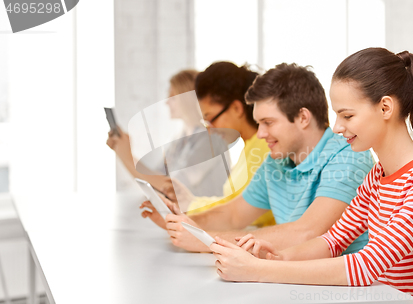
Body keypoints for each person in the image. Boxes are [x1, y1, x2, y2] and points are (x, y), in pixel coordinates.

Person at [211, 48, 413, 304]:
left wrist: (257, 271)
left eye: (347, 115)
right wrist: (277, 259)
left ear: (385, 108)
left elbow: (366, 265)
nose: (337, 127)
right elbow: (332, 241)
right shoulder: (376, 178)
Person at [145, 63, 374, 254]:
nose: (261, 133)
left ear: (303, 117)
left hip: (354, 291)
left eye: (268, 122)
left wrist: (206, 240)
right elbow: (234, 215)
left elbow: (306, 233)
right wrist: (180, 222)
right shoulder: (278, 162)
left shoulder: (348, 154)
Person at [141, 62, 276, 228]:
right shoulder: (249, 148)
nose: (209, 129)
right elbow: (232, 203)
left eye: (211, 119)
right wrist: (189, 202)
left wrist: (188, 214)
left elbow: (240, 215)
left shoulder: (266, 150)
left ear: (236, 108)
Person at [106, 69, 229, 197]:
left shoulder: (212, 141)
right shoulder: (180, 139)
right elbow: (155, 179)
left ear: (188, 99)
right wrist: (123, 152)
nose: (166, 102)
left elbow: (172, 188)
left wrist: (127, 156)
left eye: (173, 97)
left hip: (205, 215)